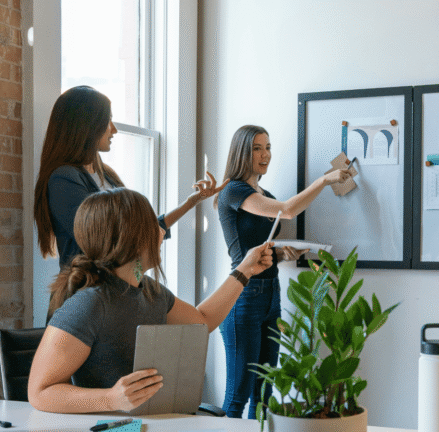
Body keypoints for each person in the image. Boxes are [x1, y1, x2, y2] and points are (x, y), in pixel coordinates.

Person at [27, 188, 273, 413]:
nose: (162, 232)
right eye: (153, 224)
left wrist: (245, 270)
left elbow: (203, 321)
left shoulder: (151, 291)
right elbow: (39, 393)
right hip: (111, 428)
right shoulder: (89, 304)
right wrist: (111, 399)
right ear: (132, 238)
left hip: (147, 423)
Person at [214, 125, 352, 418]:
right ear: (242, 152)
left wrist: (282, 254)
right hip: (243, 294)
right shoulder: (233, 191)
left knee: (264, 394)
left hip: (270, 294)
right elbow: (287, 210)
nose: (265, 155)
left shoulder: (265, 195)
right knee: (238, 396)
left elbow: (261, 248)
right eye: (257, 148)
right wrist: (324, 180)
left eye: (268, 147)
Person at [33, 85, 225, 272]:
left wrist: (191, 202)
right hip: (91, 287)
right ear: (86, 126)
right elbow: (100, 239)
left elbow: (144, 230)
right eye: (108, 120)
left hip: (117, 285)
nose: (114, 129)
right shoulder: (63, 179)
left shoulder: (106, 175)